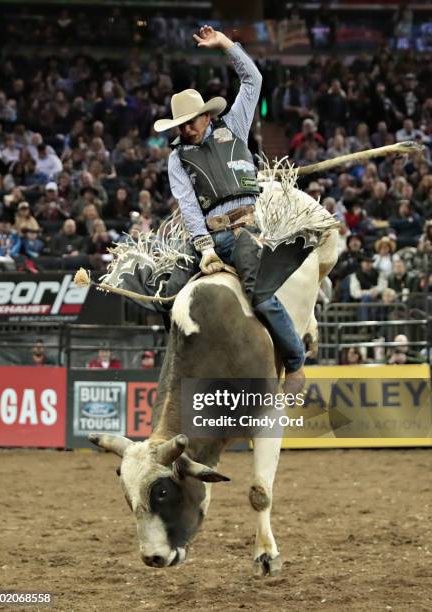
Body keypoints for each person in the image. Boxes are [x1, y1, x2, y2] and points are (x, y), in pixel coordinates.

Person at [154, 26, 305, 391]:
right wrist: (204, 246)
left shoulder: (233, 126)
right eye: (182, 124)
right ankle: (186, 365)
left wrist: (225, 45)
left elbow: (252, 80)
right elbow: (188, 206)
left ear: (206, 116)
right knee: (165, 293)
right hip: (208, 233)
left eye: (191, 121)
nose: (187, 128)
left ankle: (296, 361)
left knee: (259, 292)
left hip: (245, 228)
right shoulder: (178, 158)